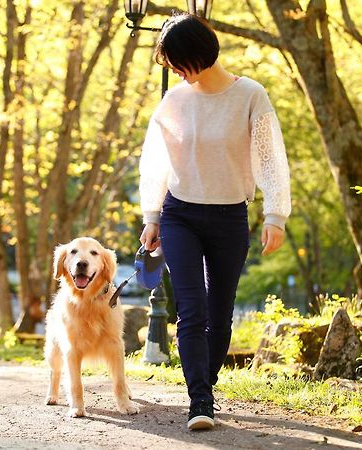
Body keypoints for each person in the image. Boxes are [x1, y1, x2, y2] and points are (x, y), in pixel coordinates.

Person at [138, 14, 291, 430]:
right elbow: (155, 162)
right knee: (191, 309)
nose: (170, 69)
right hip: (180, 214)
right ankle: (199, 400)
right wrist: (152, 216)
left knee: (220, 313)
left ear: (195, 54)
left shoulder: (250, 96)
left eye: (173, 61)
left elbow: (270, 159)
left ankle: (208, 384)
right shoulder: (173, 102)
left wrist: (275, 214)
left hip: (229, 217)